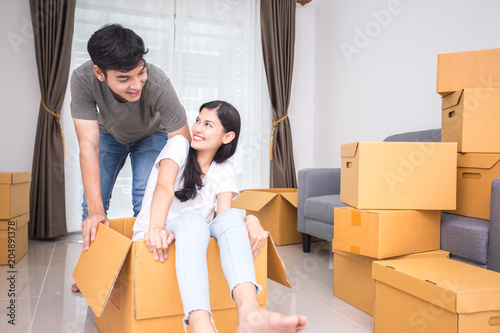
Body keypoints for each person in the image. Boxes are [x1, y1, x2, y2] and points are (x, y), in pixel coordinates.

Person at [132, 101, 307, 333]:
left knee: (231, 217)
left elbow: (223, 220)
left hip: (193, 240)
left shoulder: (224, 168)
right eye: (197, 121)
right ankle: (200, 323)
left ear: (227, 137)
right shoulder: (178, 146)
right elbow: (163, 187)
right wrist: (155, 229)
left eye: (207, 124)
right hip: (157, 236)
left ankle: (249, 313)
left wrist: (250, 220)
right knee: (195, 219)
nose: (197, 128)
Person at [70, 24, 190, 292]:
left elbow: (183, 144)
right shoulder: (82, 80)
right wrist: (96, 210)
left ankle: (145, 266)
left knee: (145, 197)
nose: (136, 85)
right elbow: (88, 144)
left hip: (152, 133)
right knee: (93, 203)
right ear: (99, 72)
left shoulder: (158, 83)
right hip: (108, 133)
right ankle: (91, 267)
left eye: (140, 73)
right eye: (124, 78)